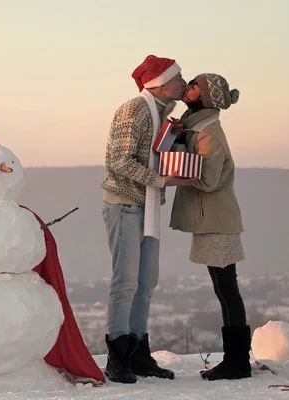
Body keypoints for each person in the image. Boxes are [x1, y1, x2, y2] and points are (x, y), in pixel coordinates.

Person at [101, 55, 194, 383]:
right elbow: (118, 162)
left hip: (148, 206)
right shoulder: (135, 110)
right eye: (179, 77)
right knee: (125, 283)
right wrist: (162, 180)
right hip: (125, 205)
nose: (184, 82)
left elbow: (150, 155)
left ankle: (139, 353)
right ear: (162, 83)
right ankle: (118, 358)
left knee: (146, 283)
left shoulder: (163, 114)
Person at [170, 73, 251, 381]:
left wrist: (177, 156)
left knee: (227, 290)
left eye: (193, 86)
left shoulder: (208, 133)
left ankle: (237, 362)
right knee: (224, 289)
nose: (187, 88)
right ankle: (236, 360)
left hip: (218, 221)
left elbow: (209, 180)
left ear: (202, 97)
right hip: (212, 220)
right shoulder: (197, 127)